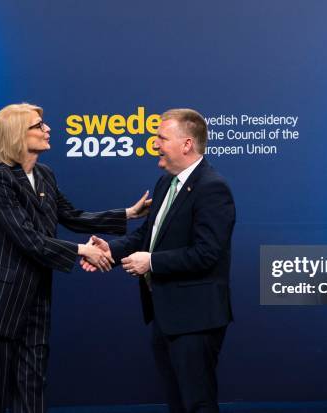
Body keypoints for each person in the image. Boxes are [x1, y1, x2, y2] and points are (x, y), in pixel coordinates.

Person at [0, 103, 150, 413]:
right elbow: (28, 239)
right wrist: (81, 250)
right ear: (18, 134)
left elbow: (72, 216)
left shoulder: (45, 174)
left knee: (33, 387)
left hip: (36, 298)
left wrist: (127, 213)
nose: (48, 129)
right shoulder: (0, 181)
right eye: (39, 125)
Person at [84, 108, 236, 413]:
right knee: (178, 404)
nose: (154, 143)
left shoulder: (212, 188)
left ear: (187, 144)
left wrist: (151, 262)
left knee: (198, 404)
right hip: (166, 318)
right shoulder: (165, 183)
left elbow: (207, 254)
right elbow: (147, 235)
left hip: (195, 320)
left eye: (161, 138)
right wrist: (110, 252)